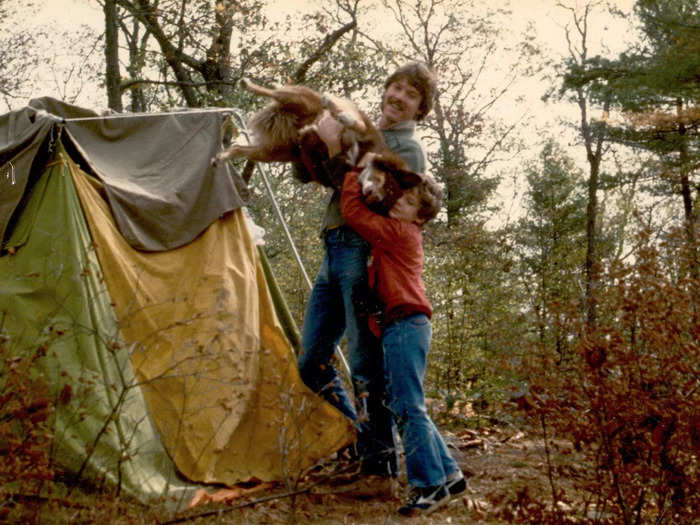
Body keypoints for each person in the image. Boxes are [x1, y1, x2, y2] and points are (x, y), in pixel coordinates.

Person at [295, 62, 438, 481]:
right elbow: (321, 177)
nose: (398, 96)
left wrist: (336, 147)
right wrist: (311, 146)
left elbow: (370, 198)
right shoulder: (360, 131)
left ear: (420, 109)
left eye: (411, 94)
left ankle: (378, 468)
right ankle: (357, 439)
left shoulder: (408, 151)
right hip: (332, 247)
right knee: (311, 361)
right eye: (395, 86)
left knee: (363, 361)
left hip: (359, 253)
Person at [340, 163, 467, 517]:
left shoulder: (400, 232)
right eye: (400, 197)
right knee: (408, 403)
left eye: (410, 203)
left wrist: (353, 173)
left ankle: (430, 485)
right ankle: (450, 473)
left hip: (406, 324)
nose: (399, 204)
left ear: (421, 217)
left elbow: (352, 213)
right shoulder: (398, 233)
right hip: (403, 325)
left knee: (408, 407)